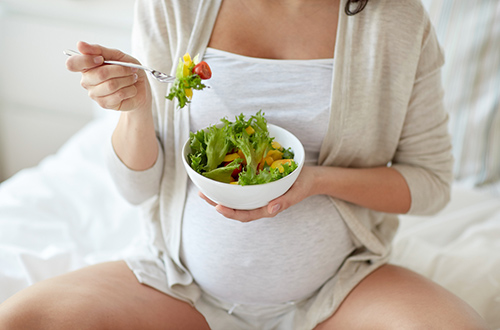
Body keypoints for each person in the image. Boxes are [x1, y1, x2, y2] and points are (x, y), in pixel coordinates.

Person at [0, 0, 490, 329]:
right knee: (21, 318)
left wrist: (313, 181)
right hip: (179, 286)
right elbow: (136, 189)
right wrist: (137, 109)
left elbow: (429, 184)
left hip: (340, 291)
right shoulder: (176, 7)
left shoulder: (395, 20)